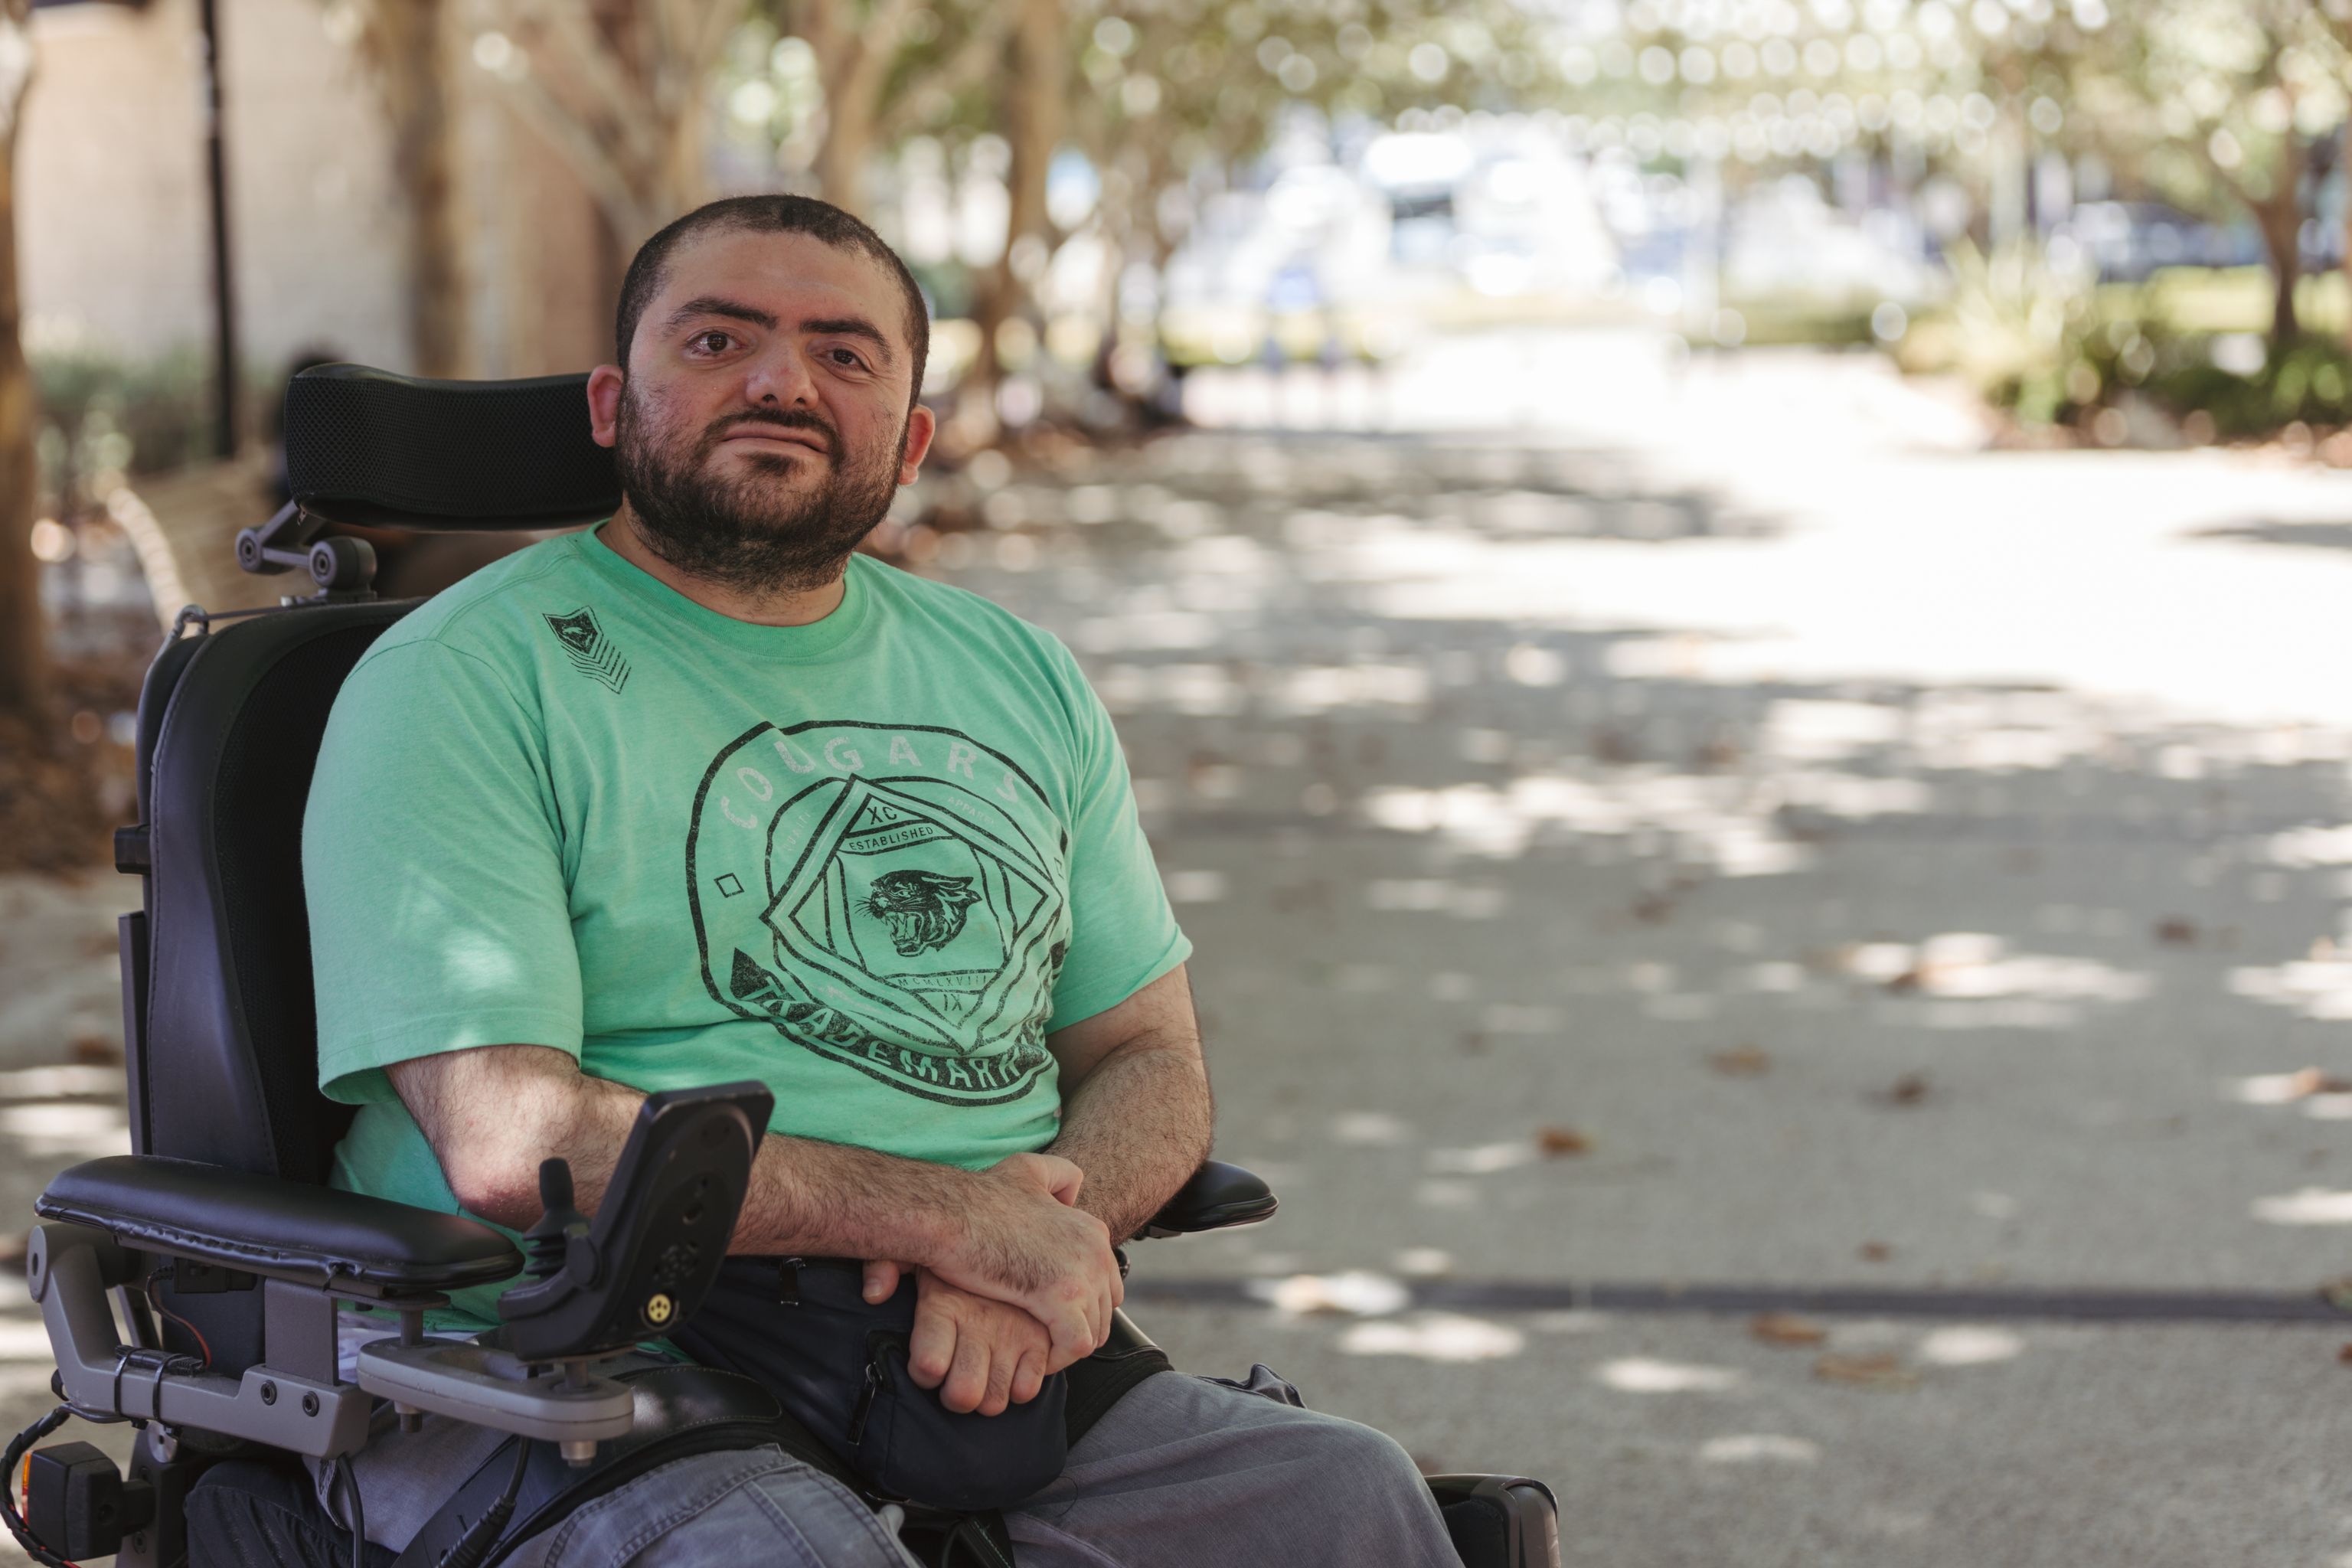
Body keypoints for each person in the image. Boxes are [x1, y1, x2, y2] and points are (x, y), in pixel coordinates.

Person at [282, 195, 1461, 1567]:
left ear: (908, 440)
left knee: (1351, 1503)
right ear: (613, 402)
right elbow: (510, 1141)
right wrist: (964, 1226)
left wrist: (1043, 1246)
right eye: (720, 337)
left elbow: (1149, 1055)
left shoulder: (1014, 674)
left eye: (845, 355)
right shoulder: (464, 679)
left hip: (977, 1353)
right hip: (576, 1356)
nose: (781, 380)